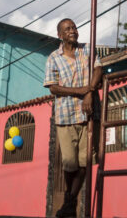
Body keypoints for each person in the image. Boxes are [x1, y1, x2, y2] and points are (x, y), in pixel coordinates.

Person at [44, 18, 103, 218]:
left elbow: (98, 69)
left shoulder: (87, 50)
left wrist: (89, 92)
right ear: (60, 35)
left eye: (74, 27)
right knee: (70, 162)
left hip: (88, 115)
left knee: (85, 161)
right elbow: (53, 87)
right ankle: (71, 201)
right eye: (68, 29)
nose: (73, 31)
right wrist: (80, 91)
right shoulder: (54, 57)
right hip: (65, 115)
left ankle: (69, 203)